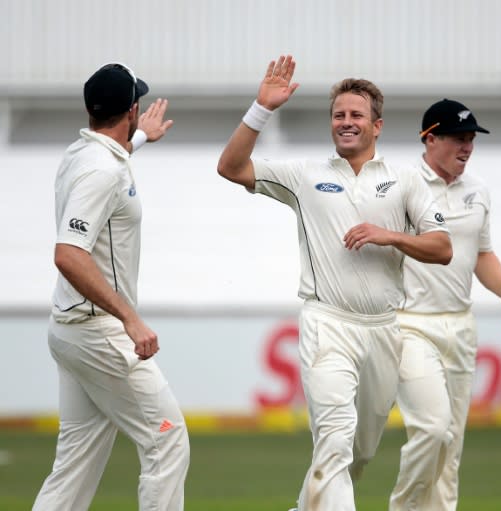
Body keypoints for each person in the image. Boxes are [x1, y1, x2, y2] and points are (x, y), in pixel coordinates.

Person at [216, 55, 452, 511]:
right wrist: (261, 108)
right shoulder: (306, 176)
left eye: (356, 115)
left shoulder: (405, 181)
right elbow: (230, 167)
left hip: (383, 329)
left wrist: (390, 235)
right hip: (328, 323)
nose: (346, 123)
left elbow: (442, 248)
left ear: (377, 126)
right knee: (334, 442)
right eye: (339, 115)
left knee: (358, 454)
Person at [32, 63, 189, 511]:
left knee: (73, 467)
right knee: (168, 439)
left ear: (89, 109)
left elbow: (108, 167)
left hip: (70, 328)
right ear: (133, 109)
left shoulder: (81, 156)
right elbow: (68, 254)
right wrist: (131, 319)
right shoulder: (100, 170)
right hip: (99, 331)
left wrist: (139, 140)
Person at [388, 99, 501, 511]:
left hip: (460, 325)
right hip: (410, 324)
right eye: (457, 139)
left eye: (470, 140)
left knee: (452, 446)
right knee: (432, 429)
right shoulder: (401, 186)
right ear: (430, 139)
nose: (466, 148)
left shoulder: (477, 191)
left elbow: (481, 254)